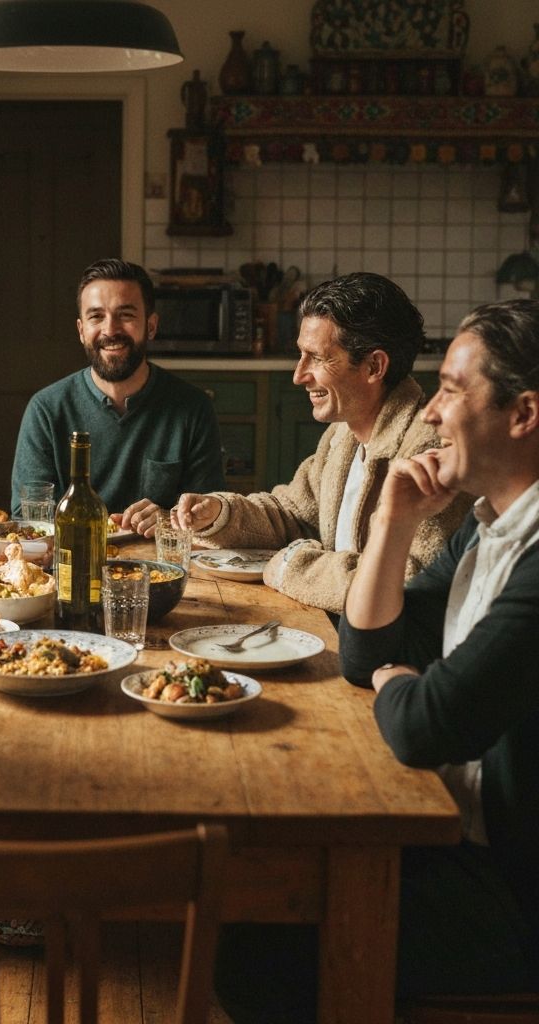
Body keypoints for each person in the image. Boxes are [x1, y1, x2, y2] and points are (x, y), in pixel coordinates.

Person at [215, 299, 539, 1023]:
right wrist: (394, 521)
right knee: (259, 885)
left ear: (523, 414)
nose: (430, 414)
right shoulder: (488, 530)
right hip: (460, 835)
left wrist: (404, 685)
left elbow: (428, 724)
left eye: (453, 390)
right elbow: (367, 653)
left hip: (513, 890)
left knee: (257, 950)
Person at [173, 272, 472, 614]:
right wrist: (221, 513)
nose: (299, 375)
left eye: (317, 357)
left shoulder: (430, 451)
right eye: (301, 355)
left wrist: (292, 566)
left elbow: (408, 583)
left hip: (388, 658)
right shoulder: (343, 434)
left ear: (374, 366)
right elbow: (294, 513)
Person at [10, 258, 225, 532]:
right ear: (81, 330)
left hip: (161, 568)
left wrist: (166, 518)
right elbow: (28, 519)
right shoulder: (46, 410)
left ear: (151, 326)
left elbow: (212, 513)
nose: (110, 330)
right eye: (96, 316)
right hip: (72, 564)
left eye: (126, 315)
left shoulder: (193, 408)